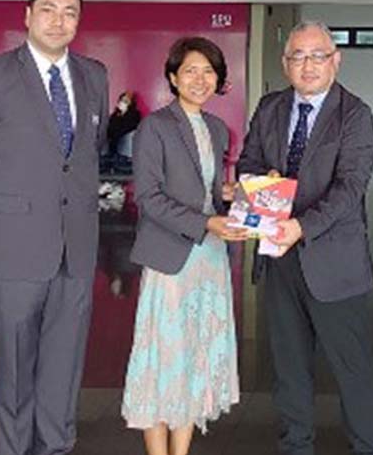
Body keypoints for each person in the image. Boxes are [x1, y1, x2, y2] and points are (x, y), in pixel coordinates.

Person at [0, 0, 110, 455]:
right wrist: (3, 216)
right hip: (12, 246)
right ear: (27, 15)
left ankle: (56, 447)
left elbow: (89, 151)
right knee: (15, 366)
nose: (59, 20)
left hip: (75, 245)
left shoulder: (94, 76)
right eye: (48, 9)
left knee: (65, 365)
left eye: (70, 12)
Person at [237, 21, 373, 455]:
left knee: (353, 370)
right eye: (298, 56)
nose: (308, 65)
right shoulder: (270, 107)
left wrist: (301, 226)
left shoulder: (354, 114)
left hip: (334, 262)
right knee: (289, 370)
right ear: (285, 64)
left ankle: (368, 449)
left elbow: (350, 188)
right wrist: (258, 183)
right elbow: (248, 161)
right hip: (278, 258)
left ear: (336, 60)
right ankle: (296, 446)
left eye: (317, 55)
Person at [122, 36, 247, 455]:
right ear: (173, 78)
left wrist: (235, 195)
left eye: (209, 71)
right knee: (164, 361)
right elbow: (150, 197)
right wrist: (206, 221)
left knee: (195, 356)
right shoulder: (154, 127)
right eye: (190, 71)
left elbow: (207, 191)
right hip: (171, 258)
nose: (200, 79)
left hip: (209, 258)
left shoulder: (216, 128)